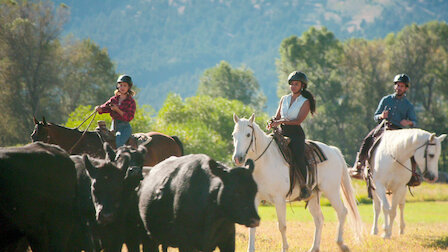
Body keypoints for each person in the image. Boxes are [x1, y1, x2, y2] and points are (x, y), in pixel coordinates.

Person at [350, 73, 417, 179]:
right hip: (384, 127)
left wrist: (408, 122)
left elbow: (414, 121)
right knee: (368, 139)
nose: (399, 88)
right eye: (397, 85)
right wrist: (381, 116)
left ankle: (413, 174)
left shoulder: (408, 105)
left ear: (406, 88)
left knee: (412, 148)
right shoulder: (386, 99)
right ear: (395, 86)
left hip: (399, 131)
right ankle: (359, 165)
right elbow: (375, 116)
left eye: (402, 86)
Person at [267, 71, 316, 200]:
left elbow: (298, 120)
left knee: (298, 156)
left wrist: (281, 121)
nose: (293, 86)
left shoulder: (305, 102)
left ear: (302, 86)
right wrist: (272, 121)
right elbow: (277, 116)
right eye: (292, 84)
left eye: (296, 84)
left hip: (296, 134)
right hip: (281, 133)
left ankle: (304, 186)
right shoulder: (284, 98)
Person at [95, 74, 136, 148]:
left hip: (125, 128)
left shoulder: (131, 101)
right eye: (121, 85)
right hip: (114, 126)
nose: (122, 87)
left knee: (119, 143)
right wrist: (99, 108)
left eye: (125, 85)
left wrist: (117, 110)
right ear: (118, 86)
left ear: (128, 87)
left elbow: (129, 117)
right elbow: (105, 107)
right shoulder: (113, 99)